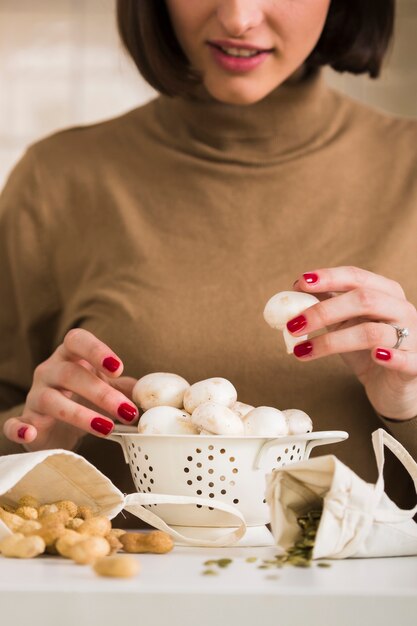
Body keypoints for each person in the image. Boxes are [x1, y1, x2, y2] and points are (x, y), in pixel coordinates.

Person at [1, 0, 416, 516]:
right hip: (121, 589)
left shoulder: (408, 170)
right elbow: (13, 422)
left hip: (369, 597)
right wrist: (32, 449)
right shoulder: (57, 179)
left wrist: (409, 406)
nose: (240, 18)